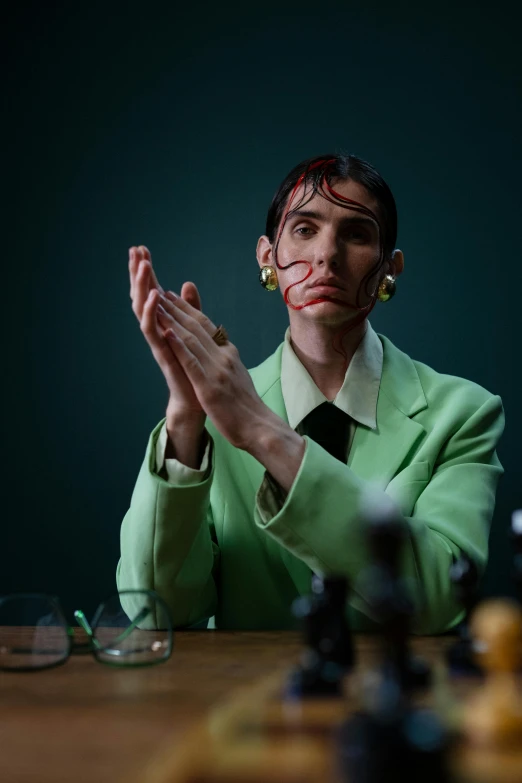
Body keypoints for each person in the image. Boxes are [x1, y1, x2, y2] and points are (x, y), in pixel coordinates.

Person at [116, 153, 504, 634]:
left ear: (390, 267)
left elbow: (440, 598)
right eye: (304, 229)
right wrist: (184, 417)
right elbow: (156, 609)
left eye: (357, 234)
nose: (327, 255)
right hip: (239, 701)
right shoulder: (208, 419)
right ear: (266, 257)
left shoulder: (464, 414)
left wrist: (263, 432)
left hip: (391, 701)